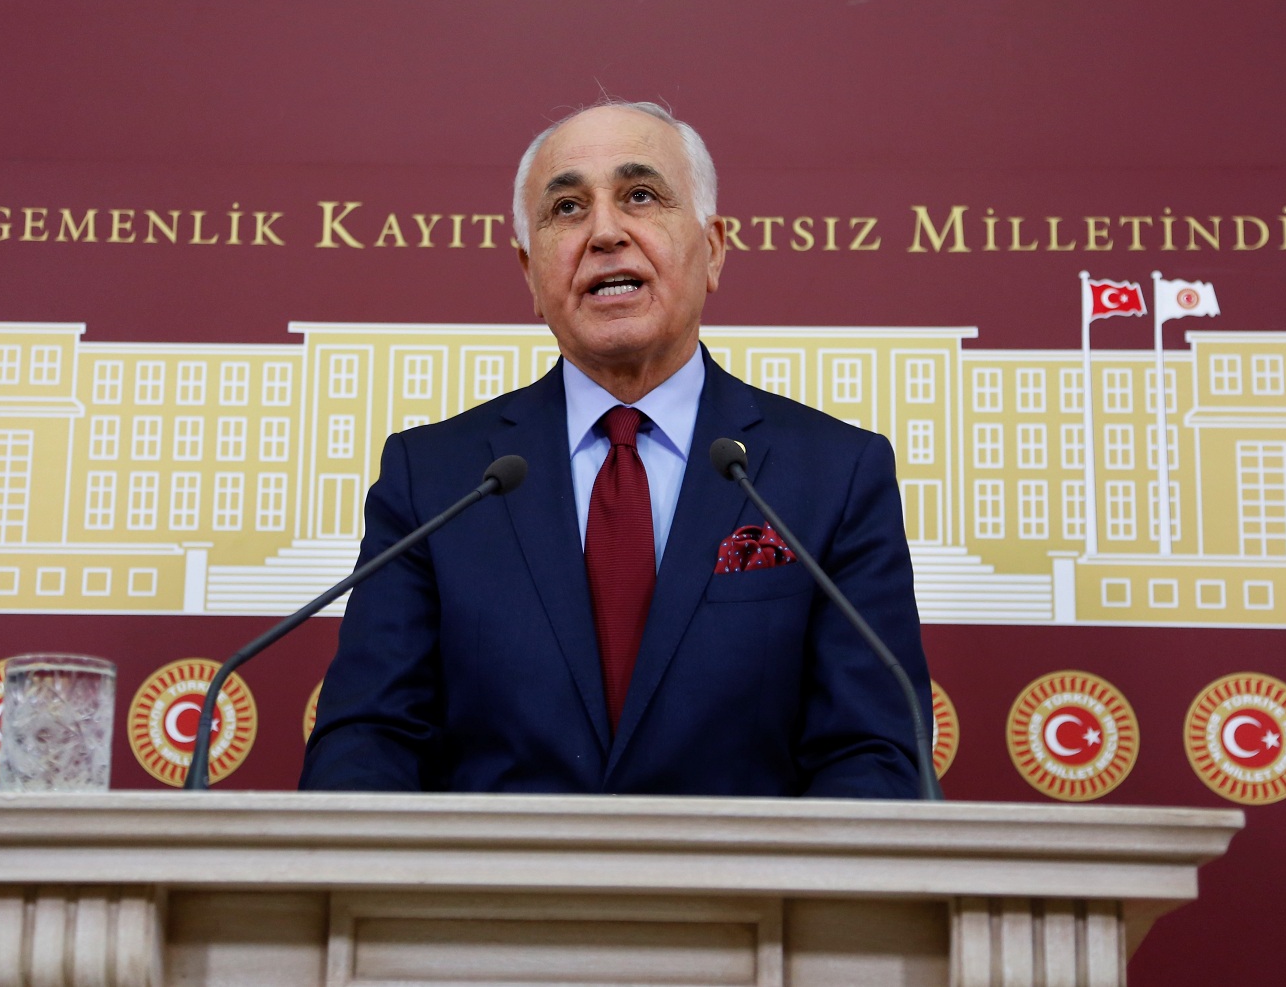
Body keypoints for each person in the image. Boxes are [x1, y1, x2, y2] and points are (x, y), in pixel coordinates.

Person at [300, 101, 931, 797]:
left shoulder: (835, 475)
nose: (604, 232)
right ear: (529, 273)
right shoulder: (436, 480)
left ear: (714, 249)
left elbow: (874, 753)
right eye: (567, 208)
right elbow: (368, 740)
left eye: (641, 196)